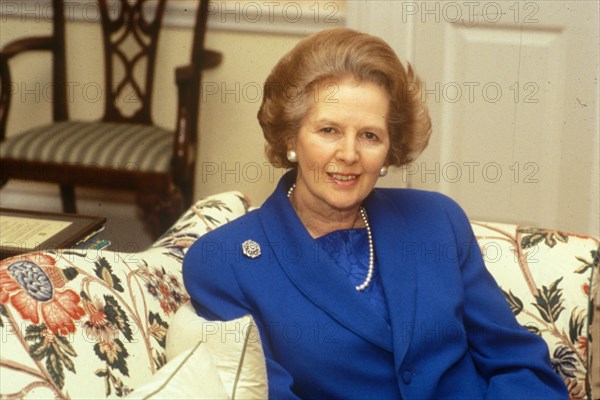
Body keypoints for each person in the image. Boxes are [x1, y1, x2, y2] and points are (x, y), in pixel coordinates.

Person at [183, 28, 567, 399]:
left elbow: (516, 360)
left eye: (370, 135)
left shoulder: (437, 221)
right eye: (329, 130)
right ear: (290, 137)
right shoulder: (225, 263)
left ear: (389, 150)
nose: (349, 154)